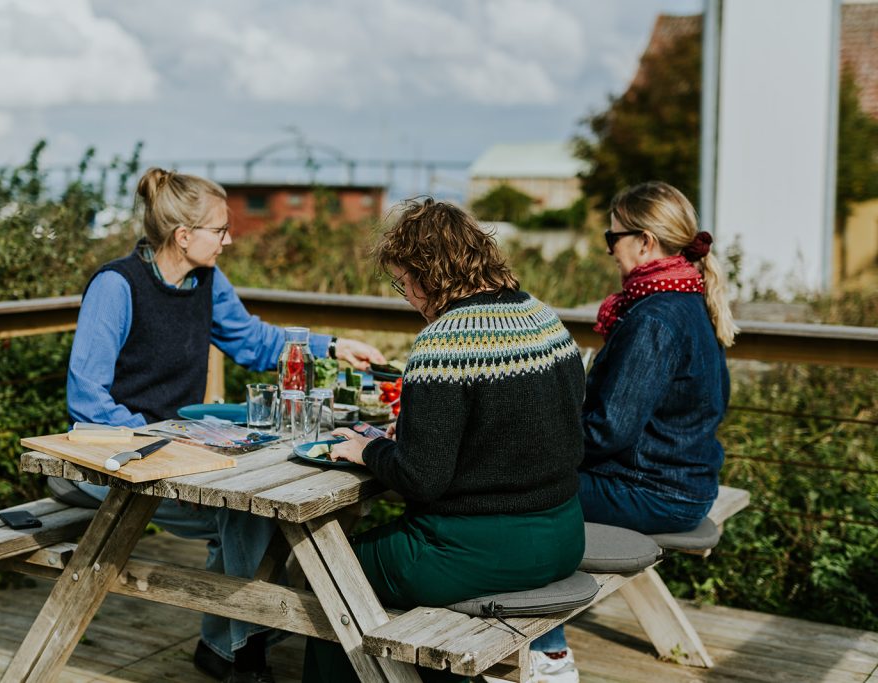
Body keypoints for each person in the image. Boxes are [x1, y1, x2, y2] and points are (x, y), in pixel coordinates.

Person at [57, 167, 384, 683]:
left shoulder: (205, 280)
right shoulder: (116, 287)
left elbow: (252, 341)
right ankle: (242, 651)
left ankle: (227, 646)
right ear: (183, 236)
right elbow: (87, 401)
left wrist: (334, 347)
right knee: (251, 517)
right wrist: (159, 441)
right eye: (219, 230)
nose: (229, 240)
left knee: (260, 515)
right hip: (109, 463)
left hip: (174, 458)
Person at [300, 198, 588, 683]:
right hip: (563, 535)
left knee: (329, 571)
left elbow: (422, 478)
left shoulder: (445, 342)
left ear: (425, 273)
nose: (405, 295)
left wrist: (367, 448)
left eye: (402, 281)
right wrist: (411, 435)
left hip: (477, 552)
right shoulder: (545, 319)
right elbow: (521, 432)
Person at [527, 181, 737, 683]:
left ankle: (546, 652)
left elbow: (608, 432)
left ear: (644, 242)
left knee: (523, 492)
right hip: (682, 484)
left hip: (653, 491)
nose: (609, 251)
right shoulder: (687, 302)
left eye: (612, 238)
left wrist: (529, 443)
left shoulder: (655, 318)